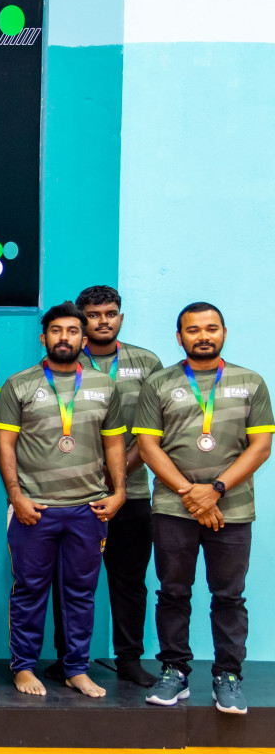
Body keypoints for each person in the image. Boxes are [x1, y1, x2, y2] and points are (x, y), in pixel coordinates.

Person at [135, 302, 272, 714]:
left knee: (229, 596)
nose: (203, 336)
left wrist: (215, 489)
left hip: (233, 508)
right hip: (173, 508)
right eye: (193, 330)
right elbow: (147, 445)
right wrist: (190, 493)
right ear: (180, 337)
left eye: (211, 328)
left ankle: (227, 676)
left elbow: (261, 446)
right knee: (172, 592)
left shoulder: (251, 382)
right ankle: (174, 671)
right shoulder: (159, 383)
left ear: (224, 333)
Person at [0, 302, 127, 698]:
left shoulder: (104, 385)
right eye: (56, 331)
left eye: (71, 331)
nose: (63, 337)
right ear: (44, 337)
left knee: (81, 593)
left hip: (88, 508)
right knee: (30, 590)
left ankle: (76, 669)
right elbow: (5, 443)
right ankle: (24, 667)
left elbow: (114, 442)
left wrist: (119, 492)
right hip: (35, 508)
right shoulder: (19, 383)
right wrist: (16, 496)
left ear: (83, 339)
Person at [45, 285, 163, 687]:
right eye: (93, 315)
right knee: (71, 581)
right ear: (80, 321)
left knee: (129, 579)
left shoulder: (146, 363)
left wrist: (118, 481)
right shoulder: (63, 362)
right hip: (72, 494)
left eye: (110, 313)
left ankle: (128, 658)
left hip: (131, 492)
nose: (102, 321)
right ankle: (67, 659)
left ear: (121, 318)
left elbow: (153, 429)